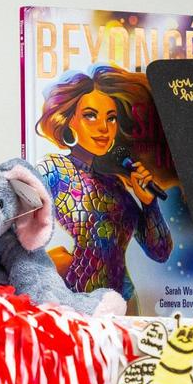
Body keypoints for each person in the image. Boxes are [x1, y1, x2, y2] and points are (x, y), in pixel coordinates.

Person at [35, 64, 172, 302]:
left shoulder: (116, 185)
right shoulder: (51, 170)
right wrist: (48, 263)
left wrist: (148, 204)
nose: (103, 127)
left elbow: (160, 252)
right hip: (71, 305)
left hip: (123, 305)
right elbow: (13, 234)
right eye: (90, 115)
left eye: (111, 118)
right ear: (68, 121)